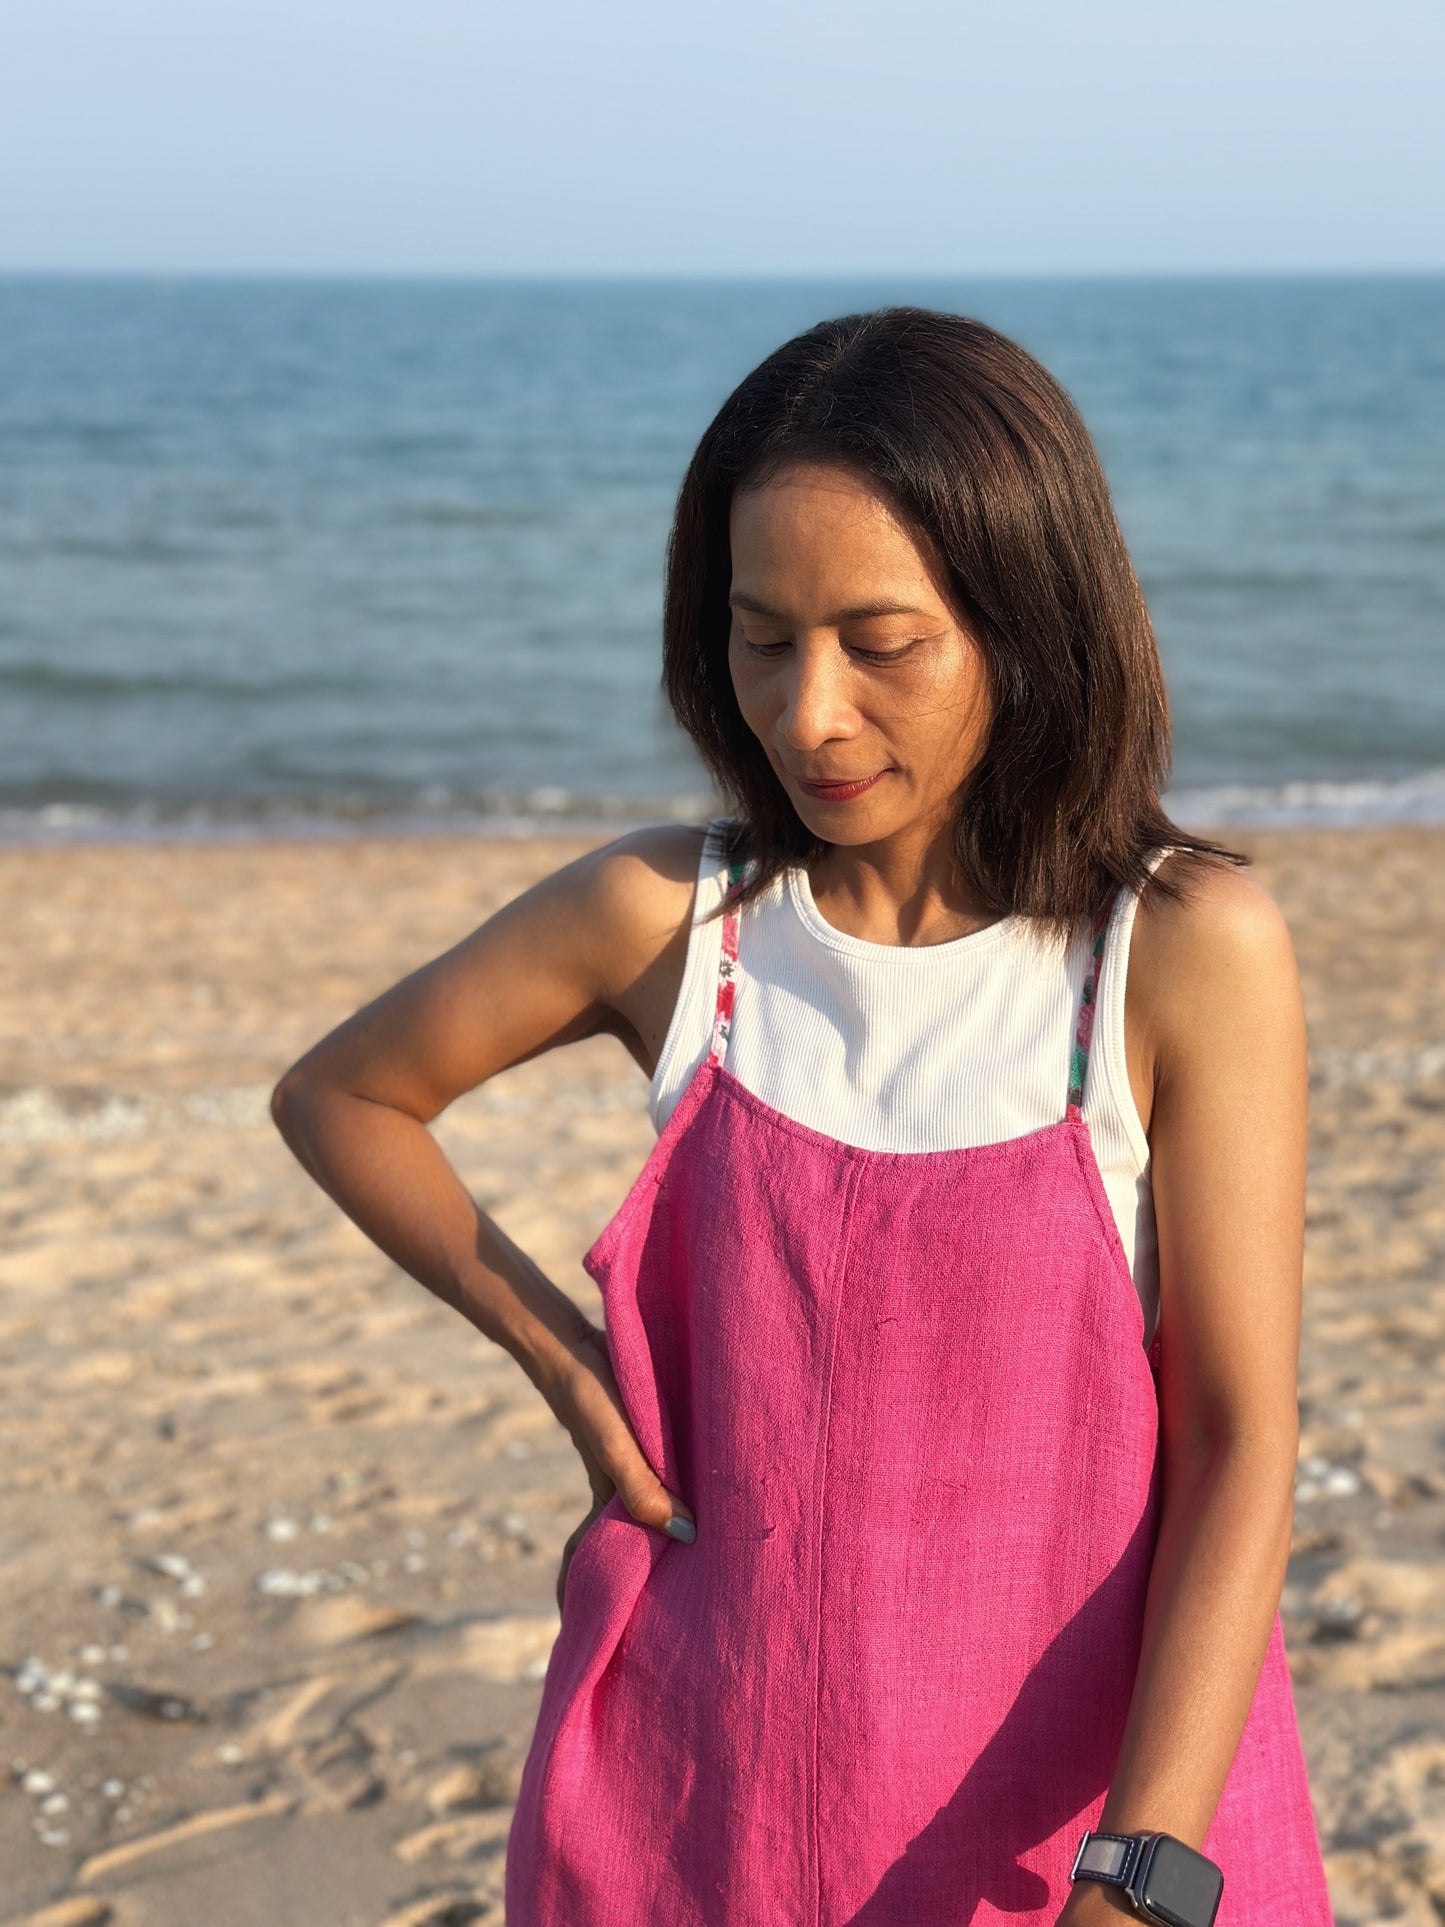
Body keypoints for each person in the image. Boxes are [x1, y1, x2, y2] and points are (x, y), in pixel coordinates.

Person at [271, 307, 1335, 1925]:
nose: (808, 712)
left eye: (879, 641)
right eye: (760, 639)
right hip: (707, 1799)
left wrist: (1141, 1867)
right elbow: (344, 1093)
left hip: (1093, 1822)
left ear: (1027, 622)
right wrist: (570, 1366)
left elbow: (1240, 1439)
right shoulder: (674, 926)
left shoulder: (1175, 950)